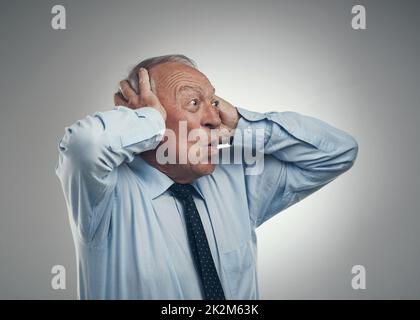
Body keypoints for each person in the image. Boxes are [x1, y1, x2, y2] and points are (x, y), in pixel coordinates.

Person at [55, 54, 358, 299]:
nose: (214, 119)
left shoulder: (238, 178)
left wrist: (240, 123)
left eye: (213, 103)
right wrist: (146, 121)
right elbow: (84, 146)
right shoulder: (105, 194)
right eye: (193, 104)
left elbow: (338, 152)